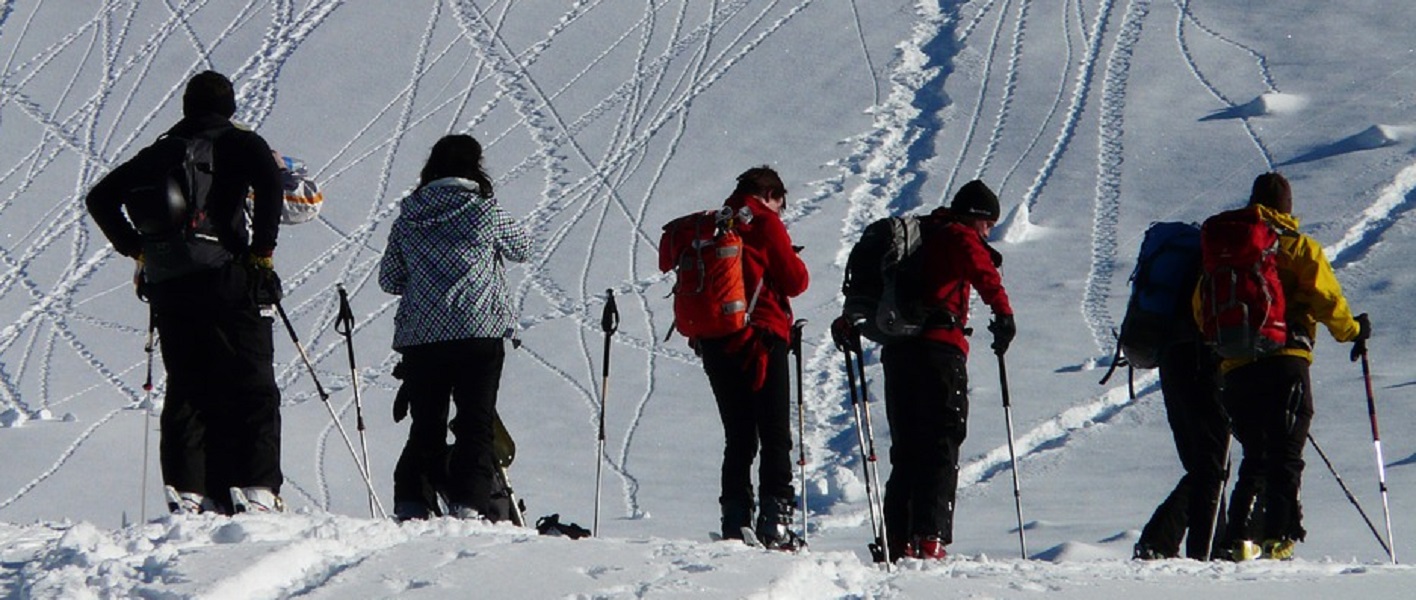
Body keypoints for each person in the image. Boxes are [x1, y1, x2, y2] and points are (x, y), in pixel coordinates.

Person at [85, 70, 286, 514]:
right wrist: (262, 252)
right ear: (229, 106)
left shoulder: (162, 149)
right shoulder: (237, 141)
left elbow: (99, 198)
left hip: (170, 285)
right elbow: (271, 183)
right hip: (227, 277)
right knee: (252, 383)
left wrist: (137, 250)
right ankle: (256, 489)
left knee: (189, 387)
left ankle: (191, 493)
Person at [1199, 172, 1370, 561]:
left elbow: (1200, 306)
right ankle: (1279, 538)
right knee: (1286, 452)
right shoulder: (1297, 247)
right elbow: (1328, 301)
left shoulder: (1227, 250)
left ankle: (1236, 540)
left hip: (1236, 366)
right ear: (1288, 209)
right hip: (1286, 360)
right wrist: (1354, 331)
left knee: (1255, 454)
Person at [843, 180, 1016, 561]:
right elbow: (983, 271)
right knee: (941, 440)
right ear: (976, 216)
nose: (989, 232)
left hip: (899, 350)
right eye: (988, 224)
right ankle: (930, 537)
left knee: (906, 447)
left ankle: (897, 539)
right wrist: (1003, 313)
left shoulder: (922, 235)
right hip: (940, 350)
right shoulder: (957, 234)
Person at [379, 134, 531, 521]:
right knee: (474, 424)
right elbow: (522, 248)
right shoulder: (485, 211)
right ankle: (469, 503)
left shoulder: (409, 216)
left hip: (422, 338)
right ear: (475, 167)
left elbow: (390, 279)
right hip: (479, 329)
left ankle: (411, 501)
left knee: (425, 425)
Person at [698, 166, 809, 550]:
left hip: (714, 340)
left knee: (739, 435)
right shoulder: (764, 222)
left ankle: (735, 519)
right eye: (781, 203)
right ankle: (775, 524)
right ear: (771, 195)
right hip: (761, 337)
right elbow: (796, 281)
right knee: (775, 432)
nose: (781, 212)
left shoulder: (715, 221)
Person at [1133, 341, 1229, 560]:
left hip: (1173, 363)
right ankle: (1167, 543)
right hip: (1204, 363)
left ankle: (1167, 542)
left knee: (1205, 465)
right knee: (1213, 466)